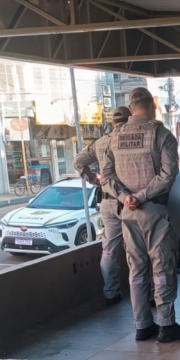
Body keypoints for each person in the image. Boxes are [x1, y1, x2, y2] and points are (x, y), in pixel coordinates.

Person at [103, 87, 180, 343]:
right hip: (156, 211)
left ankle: (142, 325)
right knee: (162, 266)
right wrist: (141, 196)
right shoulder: (161, 134)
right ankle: (166, 324)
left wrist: (125, 197)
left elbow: (106, 176)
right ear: (152, 105)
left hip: (127, 213)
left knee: (137, 269)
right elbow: (168, 175)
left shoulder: (114, 136)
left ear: (131, 108)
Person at [74, 106, 131, 306]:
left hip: (107, 200)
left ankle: (110, 293)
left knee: (109, 250)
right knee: (138, 248)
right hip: (132, 201)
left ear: (112, 122)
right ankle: (146, 292)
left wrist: (96, 181)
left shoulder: (101, 142)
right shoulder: (131, 140)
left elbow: (78, 162)